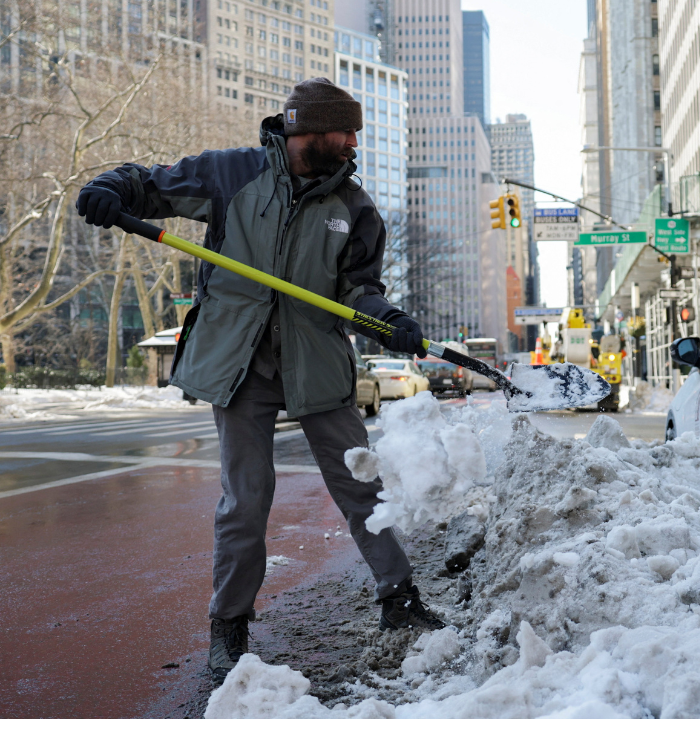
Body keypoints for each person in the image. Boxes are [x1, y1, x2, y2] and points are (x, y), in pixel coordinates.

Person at [76, 78, 443, 681]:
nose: (354, 143)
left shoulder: (354, 207)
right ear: (309, 132)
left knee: (361, 487)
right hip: (240, 364)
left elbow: (359, 292)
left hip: (317, 363)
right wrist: (111, 186)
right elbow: (150, 184)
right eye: (345, 132)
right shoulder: (230, 175)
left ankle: (400, 601)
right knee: (245, 502)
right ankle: (230, 628)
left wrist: (389, 321)